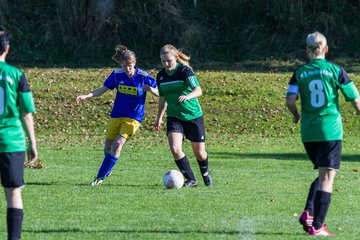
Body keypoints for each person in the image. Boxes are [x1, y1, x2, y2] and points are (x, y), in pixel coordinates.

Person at [286, 31, 360, 236]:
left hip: (308, 132)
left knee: (322, 174)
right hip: (330, 131)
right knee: (328, 177)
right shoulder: (336, 70)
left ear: (307, 51)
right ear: (326, 49)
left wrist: (295, 115)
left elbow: (290, 101)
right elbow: (355, 98)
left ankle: (309, 213)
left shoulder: (299, 72)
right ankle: (318, 226)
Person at [76, 45, 158, 186]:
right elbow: (102, 89)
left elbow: (161, 93)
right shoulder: (116, 75)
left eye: (130, 65)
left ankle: (99, 178)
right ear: (121, 64)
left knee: (117, 145)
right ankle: (109, 167)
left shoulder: (144, 77)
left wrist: (151, 89)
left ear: (135, 63)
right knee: (108, 148)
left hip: (133, 117)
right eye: (125, 66)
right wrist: (87, 95)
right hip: (117, 115)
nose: (128, 69)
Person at [154, 44, 212, 187]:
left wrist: (188, 97)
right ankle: (191, 179)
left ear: (175, 57)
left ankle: (205, 173)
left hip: (193, 115)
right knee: (175, 148)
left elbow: (198, 90)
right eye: (163, 61)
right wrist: (159, 118)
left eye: (169, 60)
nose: (166, 64)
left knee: (200, 153)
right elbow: (162, 99)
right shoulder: (161, 76)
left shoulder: (185, 71)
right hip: (174, 116)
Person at [0, 28, 38, 240]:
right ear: (7, 48)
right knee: (13, 193)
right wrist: (32, 143)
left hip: (10, 142)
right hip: (11, 142)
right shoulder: (16, 75)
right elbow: (26, 112)